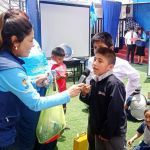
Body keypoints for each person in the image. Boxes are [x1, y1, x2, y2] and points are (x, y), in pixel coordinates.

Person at [0, 9, 83, 149]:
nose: (33, 45)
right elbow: (35, 103)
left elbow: (10, 83)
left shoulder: (5, 59)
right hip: (6, 131)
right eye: (30, 40)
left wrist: (33, 82)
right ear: (15, 41)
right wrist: (67, 94)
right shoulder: (11, 68)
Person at [86, 32, 140, 150]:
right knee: (93, 143)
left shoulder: (120, 64)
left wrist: (123, 97)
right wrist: (86, 93)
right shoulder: (92, 61)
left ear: (111, 48)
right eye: (95, 48)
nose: (97, 51)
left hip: (112, 119)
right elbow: (90, 80)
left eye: (101, 48)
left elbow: (135, 77)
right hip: (96, 115)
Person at [80, 47, 127, 150]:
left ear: (110, 67)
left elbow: (115, 112)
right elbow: (91, 102)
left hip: (112, 134)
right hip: (97, 129)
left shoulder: (114, 84)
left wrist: (107, 133)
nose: (95, 63)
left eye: (100, 61)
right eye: (95, 59)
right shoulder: (94, 80)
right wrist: (84, 94)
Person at [50, 47, 67, 114]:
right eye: (59, 59)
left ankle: (63, 121)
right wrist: (60, 77)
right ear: (53, 57)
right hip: (56, 91)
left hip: (64, 89)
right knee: (56, 108)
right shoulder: (52, 67)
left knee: (64, 106)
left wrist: (66, 75)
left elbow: (65, 78)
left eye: (62, 59)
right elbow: (52, 80)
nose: (61, 61)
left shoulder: (63, 65)